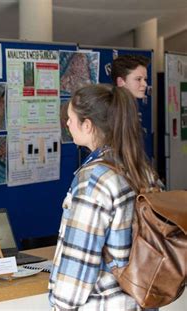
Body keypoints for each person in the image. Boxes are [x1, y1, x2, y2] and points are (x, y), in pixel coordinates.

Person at [48, 84, 159, 310]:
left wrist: (59, 302)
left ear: (87, 125)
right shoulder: (142, 170)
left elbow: (79, 263)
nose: (67, 123)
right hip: (141, 302)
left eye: (70, 118)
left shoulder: (94, 180)